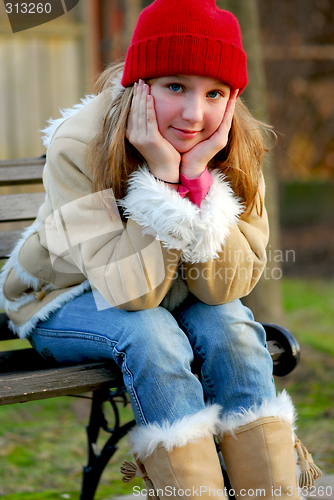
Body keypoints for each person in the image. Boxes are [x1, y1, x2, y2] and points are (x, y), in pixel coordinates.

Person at [0, 0, 321, 498]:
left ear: (233, 99)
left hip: (169, 296)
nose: (195, 114)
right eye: (175, 87)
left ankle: (271, 492)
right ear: (139, 86)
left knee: (234, 328)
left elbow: (223, 289)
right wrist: (165, 185)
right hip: (61, 297)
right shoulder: (79, 144)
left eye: (215, 93)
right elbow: (134, 296)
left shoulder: (235, 145)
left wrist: (197, 180)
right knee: (153, 336)